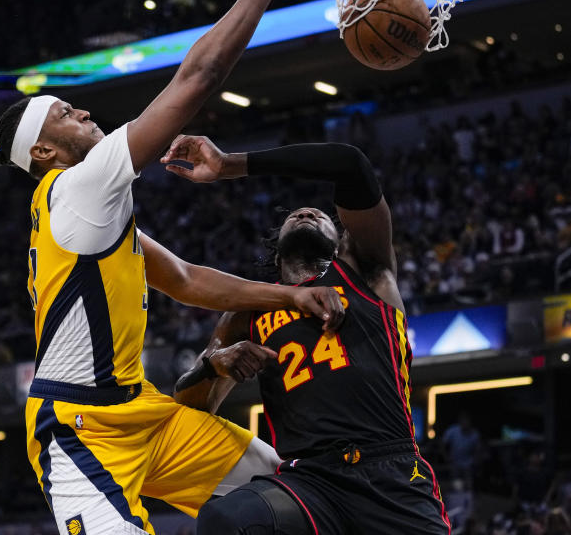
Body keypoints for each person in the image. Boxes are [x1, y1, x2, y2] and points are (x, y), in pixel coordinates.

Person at [0, 0, 347, 535]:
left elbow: (186, 279)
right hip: (81, 430)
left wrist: (290, 293)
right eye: (64, 112)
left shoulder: (84, 211)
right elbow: (198, 78)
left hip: (142, 411)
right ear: (44, 153)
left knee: (284, 494)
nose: (81, 109)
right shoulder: (79, 184)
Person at [164, 136, 450, 535]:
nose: (305, 212)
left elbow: (349, 163)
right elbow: (190, 410)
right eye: (294, 214)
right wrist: (215, 365)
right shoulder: (247, 312)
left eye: (321, 215)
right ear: (276, 254)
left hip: (390, 471)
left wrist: (232, 164)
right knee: (227, 520)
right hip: (310, 483)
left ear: (340, 243)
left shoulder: (366, 271)